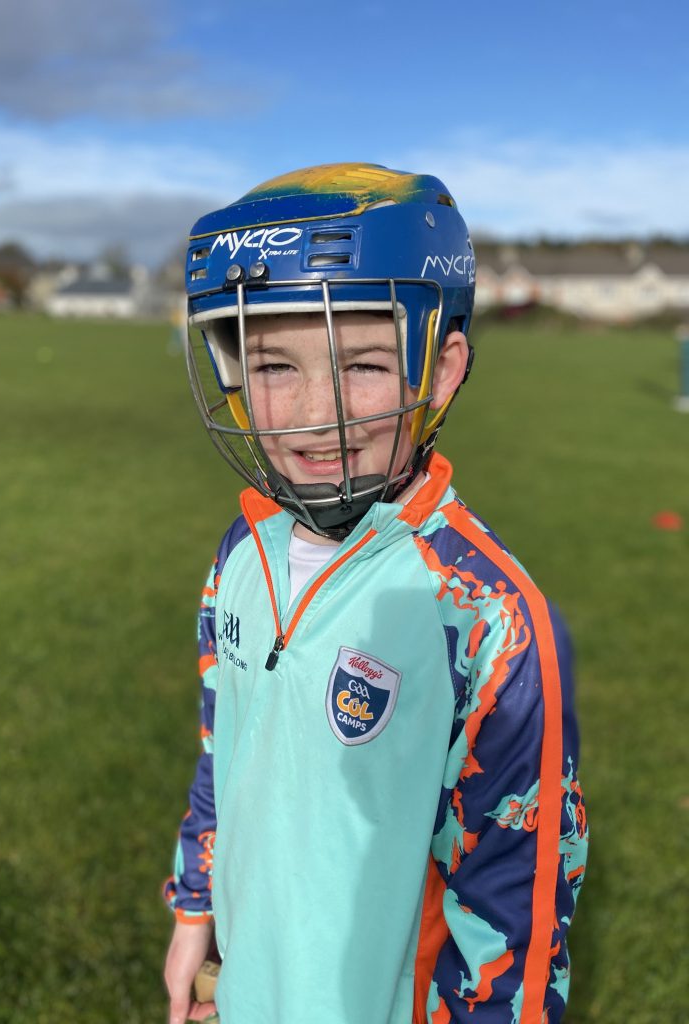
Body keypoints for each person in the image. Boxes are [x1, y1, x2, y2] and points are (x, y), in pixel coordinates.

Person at [162, 163, 588, 1024]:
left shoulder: (489, 617)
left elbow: (516, 905)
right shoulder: (243, 550)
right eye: (273, 364)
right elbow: (224, 754)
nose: (313, 413)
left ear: (441, 367)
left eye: (361, 364)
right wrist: (197, 910)